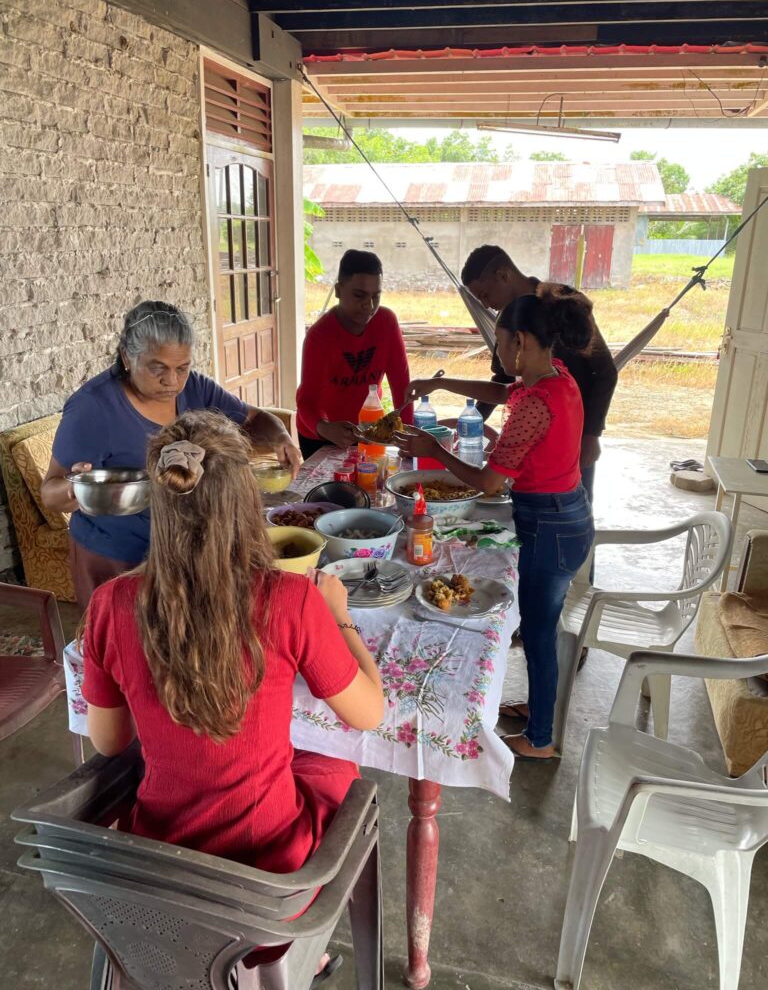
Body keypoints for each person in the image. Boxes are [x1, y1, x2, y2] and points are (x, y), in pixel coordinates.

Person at [81, 411, 384, 985]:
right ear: (248, 500)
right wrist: (339, 617)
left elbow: (108, 741)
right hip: (270, 888)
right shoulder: (290, 598)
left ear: (159, 504)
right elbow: (370, 713)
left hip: (163, 873)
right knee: (336, 768)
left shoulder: (113, 604)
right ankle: (297, 954)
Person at [396, 286, 595, 760]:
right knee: (541, 624)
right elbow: (502, 391)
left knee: (540, 632)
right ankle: (539, 708)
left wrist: (433, 451)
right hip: (568, 517)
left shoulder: (534, 404)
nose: (497, 353)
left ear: (520, 342)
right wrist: (442, 385)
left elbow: (488, 482)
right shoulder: (556, 377)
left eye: (500, 344)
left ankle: (541, 740)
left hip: (551, 527)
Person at [41, 301, 301, 611]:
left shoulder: (196, 389)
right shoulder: (92, 409)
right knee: (124, 645)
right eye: (158, 368)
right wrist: (78, 489)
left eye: (182, 367)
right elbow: (50, 493)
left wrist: (280, 436)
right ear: (127, 357)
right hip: (118, 555)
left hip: (183, 547)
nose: (172, 381)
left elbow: (254, 419)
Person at [460, 246, 617, 505]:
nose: (485, 304)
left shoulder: (560, 302)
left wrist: (591, 434)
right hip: (537, 434)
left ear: (503, 274)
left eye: (485, 294)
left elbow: (604, 371)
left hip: (572, 434)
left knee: (573, 500)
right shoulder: (508, 319)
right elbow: (502, 381)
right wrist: (473, 421)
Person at [296, 249, 413, 460]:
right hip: (321, 433)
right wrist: (325, 428)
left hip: (368, 429)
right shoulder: (319, 336)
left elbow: (402, 386)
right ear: (339, 290)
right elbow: (306, 402)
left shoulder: (386, 322)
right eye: (359, 295)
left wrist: (409, 437)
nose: (368, 306)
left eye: (375, 296)